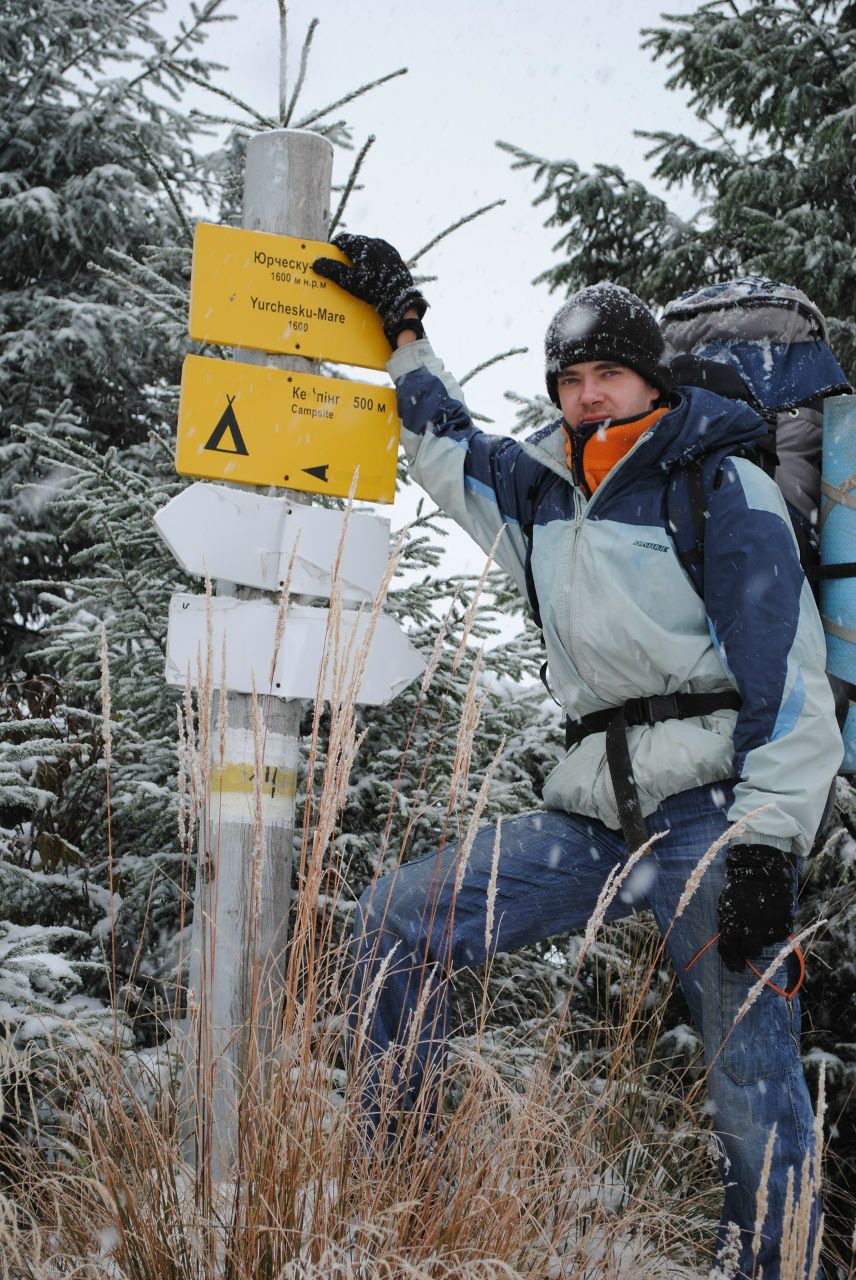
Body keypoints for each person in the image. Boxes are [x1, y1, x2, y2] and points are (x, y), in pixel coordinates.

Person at [312, 236, 843, 1278]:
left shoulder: (715, 484)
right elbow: (443, 445)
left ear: (651, 378)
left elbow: (787, 677)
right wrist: (404, 332)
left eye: (608, 373)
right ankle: (398, 1198)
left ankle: (780, 1264)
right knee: (397, 917)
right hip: (594, 818)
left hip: (712, 814)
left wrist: (764, 847)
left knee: (749, 1072)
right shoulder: (542, 491)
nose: (589, 395)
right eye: (571, 378)